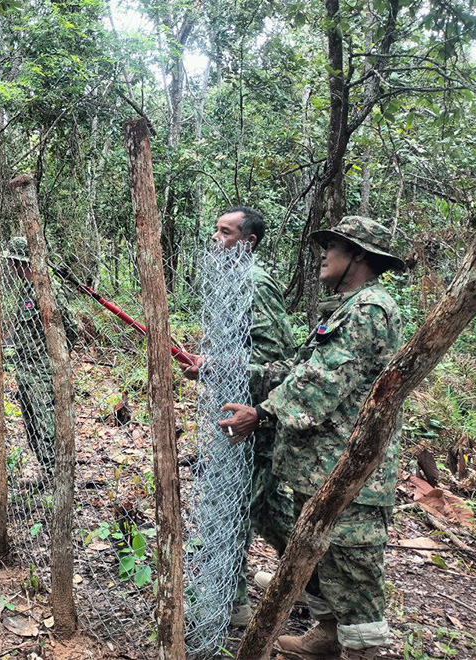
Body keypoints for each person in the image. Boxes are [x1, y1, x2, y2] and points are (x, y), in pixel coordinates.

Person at [219, 216, 405, 660]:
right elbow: (299, 371)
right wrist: (231, 369)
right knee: (324, 561)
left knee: (353, 571)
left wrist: (260, 413)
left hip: (351, 470)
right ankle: (325, 635)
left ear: (360, 257)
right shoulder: (347, 305)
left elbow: (321, 384)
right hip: (323, 465)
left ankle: (362, 650)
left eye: (334, 247)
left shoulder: (370, 309)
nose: (323, 254)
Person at [196, 206, 297, 627]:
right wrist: (210, 363)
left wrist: (217, 364)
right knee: (268, 509)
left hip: (257, 420)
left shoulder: (256, 285)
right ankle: (314, 584)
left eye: (226, 232)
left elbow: (278, 362)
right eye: (215, 230)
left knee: (237, 506)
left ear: (248, 242)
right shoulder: (227, 281)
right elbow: (236, 350)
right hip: (232, 412)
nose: (216, 239)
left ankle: (229, 603)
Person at [3, 237, 77, 482]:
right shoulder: (26, 288)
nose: (13, 269)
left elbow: (71, 327)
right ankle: (45, 471)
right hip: (25, 366)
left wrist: (56, 358)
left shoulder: (48, 288)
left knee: (47, 422)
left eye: (16, 263)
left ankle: (56, 474)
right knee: (31, 421)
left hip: (44, 368)